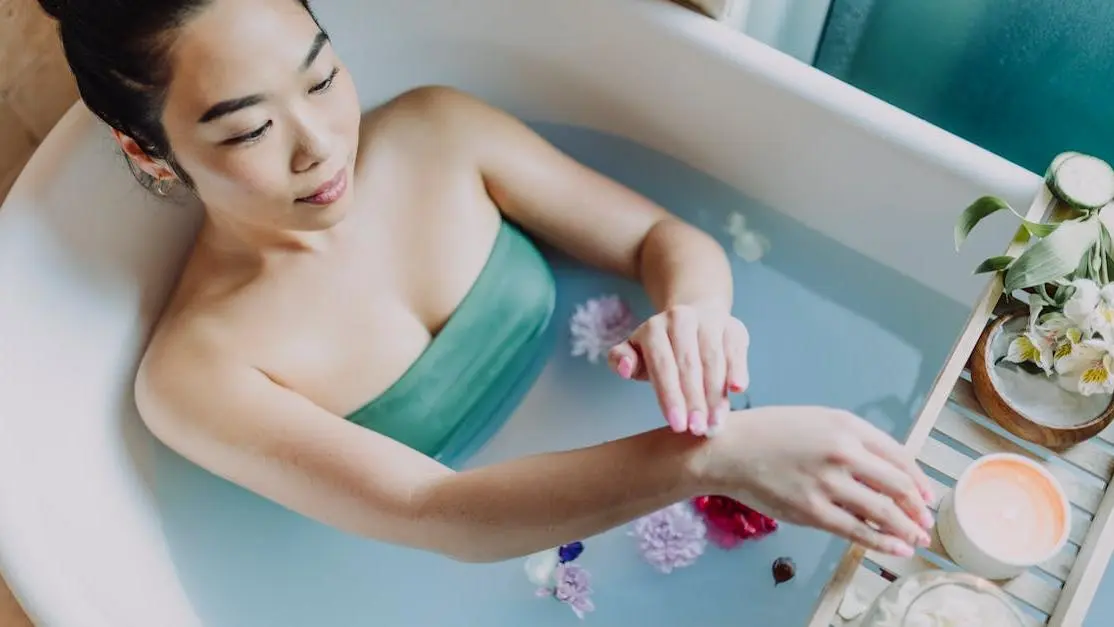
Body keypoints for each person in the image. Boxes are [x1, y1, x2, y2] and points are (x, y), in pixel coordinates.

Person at [39, 0, 935, 563]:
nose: (318, 143)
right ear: (147, 150)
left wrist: (694, 313)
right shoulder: (197, 373)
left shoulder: (439, 132)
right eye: (246, 131)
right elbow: (441, 513)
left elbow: (666, 238)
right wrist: (716, 456)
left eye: (322, 76)